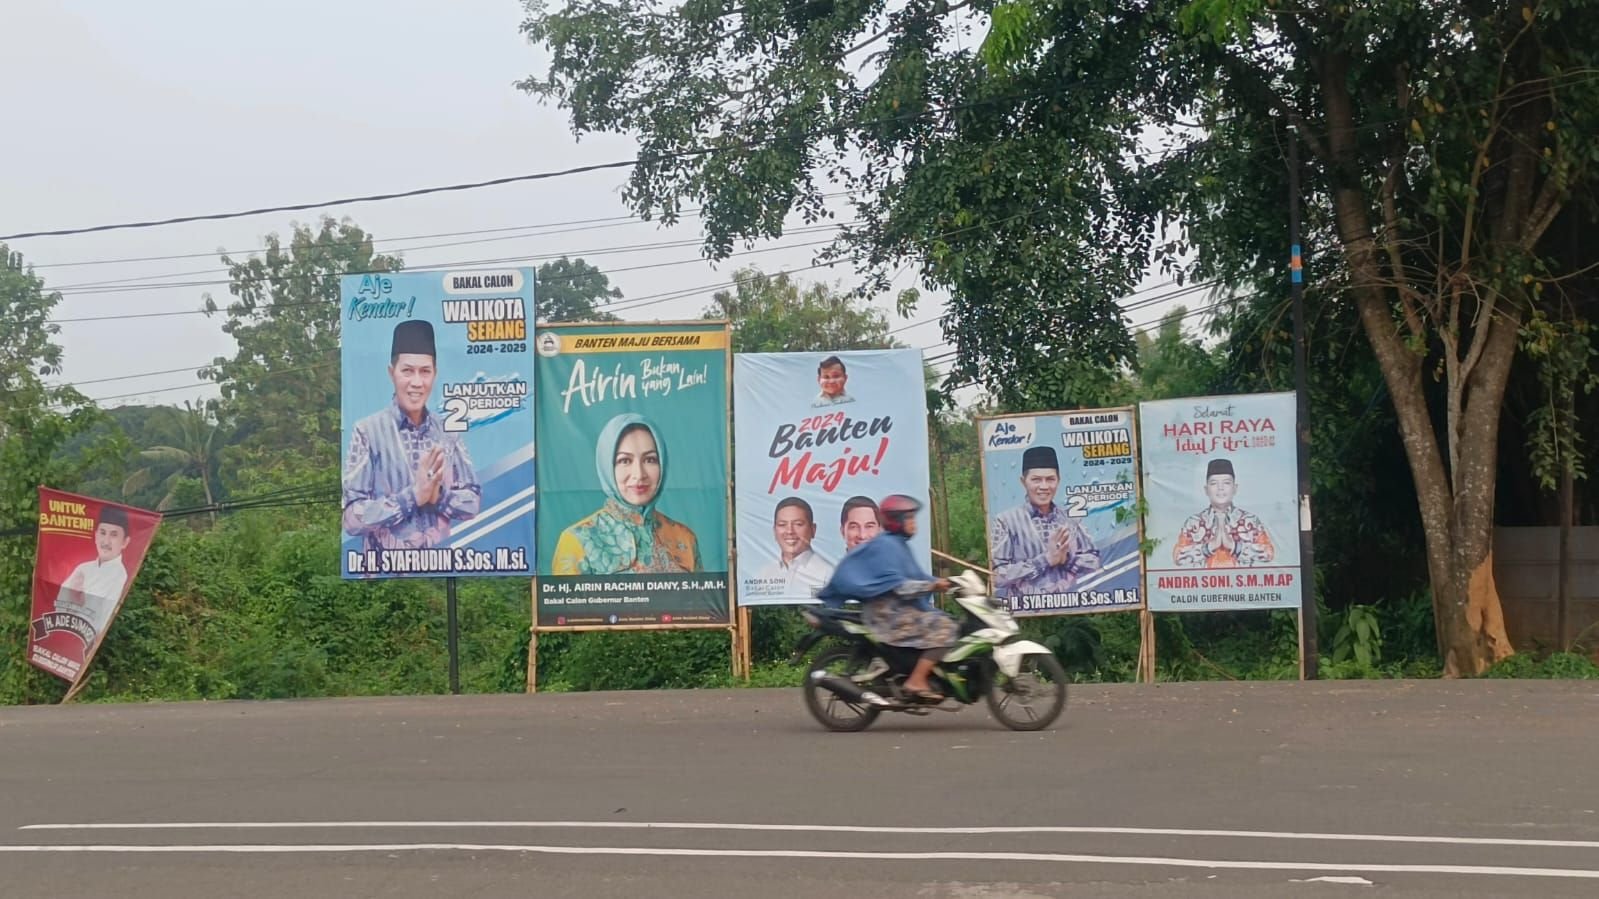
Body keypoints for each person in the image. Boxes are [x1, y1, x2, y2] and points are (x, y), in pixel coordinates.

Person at [343, 320, 482, 552]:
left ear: (434, 375)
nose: (416, 382)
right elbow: (352, 517)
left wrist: (438, 496)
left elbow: (473, 502)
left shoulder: (448, 432)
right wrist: (413, 496)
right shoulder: (368, 431)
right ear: (392, 373)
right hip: (383, 572)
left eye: (425, 371)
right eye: (407, 371)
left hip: (442, 563)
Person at [817, 495, 956, 702]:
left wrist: (946, 583)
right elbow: (901, 587)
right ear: (896, 521)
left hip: (897, 612)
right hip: (889, 617)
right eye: (908, 518)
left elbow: (916, 576)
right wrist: (933, 585)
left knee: (948, 620)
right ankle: (916, 680)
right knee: (946, 627)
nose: (913, 522)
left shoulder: (898, 545)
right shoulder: (886, 547)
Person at [552, 413, 701, 574]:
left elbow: (702, 599)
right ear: (607, 466)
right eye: (625, 461)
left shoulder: (685, 539)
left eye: (650, 460)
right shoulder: (577, 541)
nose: (639, 474)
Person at [990, 445, 1101, 600]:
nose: (1044, 486)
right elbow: (997, 576)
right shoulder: (1006, 521)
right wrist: (1046, 560)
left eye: (1050, 479)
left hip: (1070, 606)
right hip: (1025, 610)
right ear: (1023, 482)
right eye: (1036, 480)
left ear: (1058, 481)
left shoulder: (1071, 518)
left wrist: (1066, 559)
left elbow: (1095, 563)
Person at [1173, 458, 1276, 568]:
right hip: (1204, 583)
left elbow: (1268, 553)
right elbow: (1177, 556)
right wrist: (1210, 547)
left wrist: (1233, 546)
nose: (1220, 488)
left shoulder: (1250, 520)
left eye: (1226, 483)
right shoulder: (1194, 522)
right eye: (1214, 483)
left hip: (1242, 583)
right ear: (1206, 490)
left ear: (1235, 488)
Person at [53, 504, 132, 640]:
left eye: (114, 535)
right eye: (102, 533)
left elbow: (103, 620)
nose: (106, 541)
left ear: (125, 542)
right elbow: (60, 604)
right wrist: (72, 598)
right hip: (66, 635)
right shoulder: (83, 568)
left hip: (89, 642)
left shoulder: (120, 576)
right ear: (95, 536)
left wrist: (80, 602)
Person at [758, 497, 834, 596]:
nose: (789, 531)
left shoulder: (827, 573)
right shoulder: (765, 573)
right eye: (782, 524)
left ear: (813, 529)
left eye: (798, 524)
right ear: (774, 531)